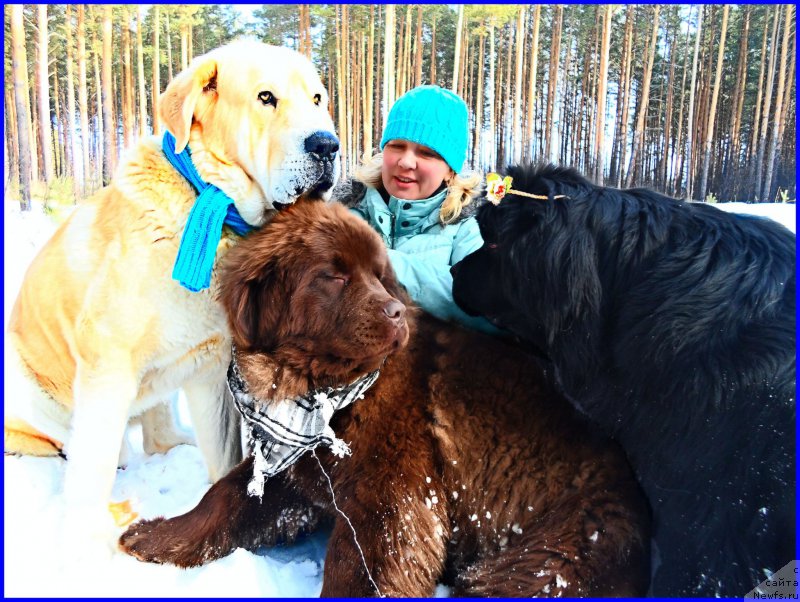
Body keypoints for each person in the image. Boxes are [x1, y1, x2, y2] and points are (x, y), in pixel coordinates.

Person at [341, 85, 497, 334]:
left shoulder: (469, 229)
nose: (405, 162)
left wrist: (380, 263)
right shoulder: (345, 215)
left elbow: (487, 308)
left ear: (450, 170)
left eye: (426, 153)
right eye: (397, 146)